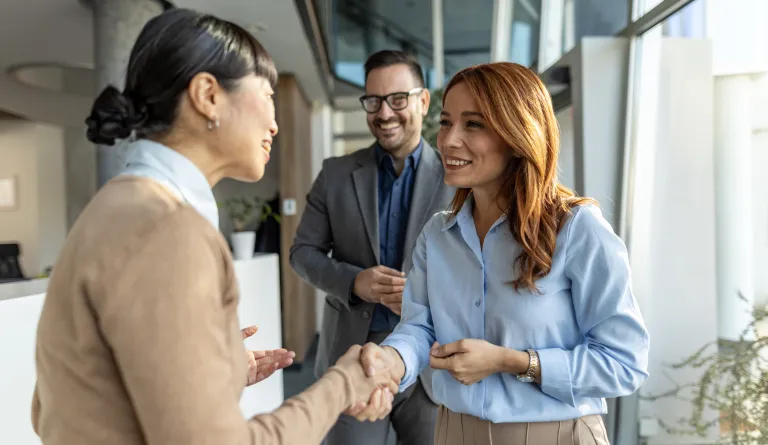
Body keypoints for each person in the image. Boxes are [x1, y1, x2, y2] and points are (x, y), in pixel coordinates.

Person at [31, 9, 398, 445]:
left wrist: (214, 371)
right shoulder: (168, 231)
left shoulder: (113, 209)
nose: (275, 124)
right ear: (208, 95)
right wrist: (343, 384)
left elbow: (57, 405)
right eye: (267, 96)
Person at [356, 62, 651, 445]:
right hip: (452, 432)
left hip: (557, 435)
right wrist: (389, 364)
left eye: (473, 124)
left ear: (517, 134)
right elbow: (419, 328)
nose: (448, 140)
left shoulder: (577, 229)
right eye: (446, 123)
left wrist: (512, 361)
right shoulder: (437, 235)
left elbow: (624, 362)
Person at [290, 50, 454, 444]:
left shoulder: (458, 177)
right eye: (373, 101)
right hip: (352, 356)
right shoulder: (334, 174)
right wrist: (354, 281)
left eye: (398, 99)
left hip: (432, 361)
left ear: (423, 101)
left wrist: (425, 295)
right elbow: (302, 253)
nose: (384, 113)